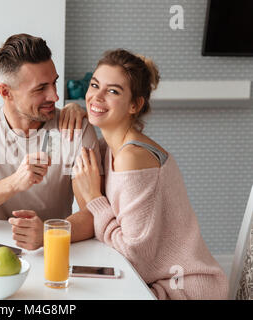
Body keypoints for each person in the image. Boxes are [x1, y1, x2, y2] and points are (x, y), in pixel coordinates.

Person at [67, 48, 229, 299]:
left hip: (183, 287)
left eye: (112, 91)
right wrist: (76, 117)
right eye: (94, 85)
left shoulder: (132, 158)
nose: (96, 97)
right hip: (150, 280)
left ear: (135, 105)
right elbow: (93, 221)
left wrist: (94, 197)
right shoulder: (108, 149)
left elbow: (134, 257)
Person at [0, 33, 102, 250]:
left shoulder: (75, 129)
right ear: (6, 92)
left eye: (54, 83)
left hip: (53, 251)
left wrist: (48, 233)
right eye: (40, 88)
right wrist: (14, 182)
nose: (54, 96)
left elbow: (93, 214)